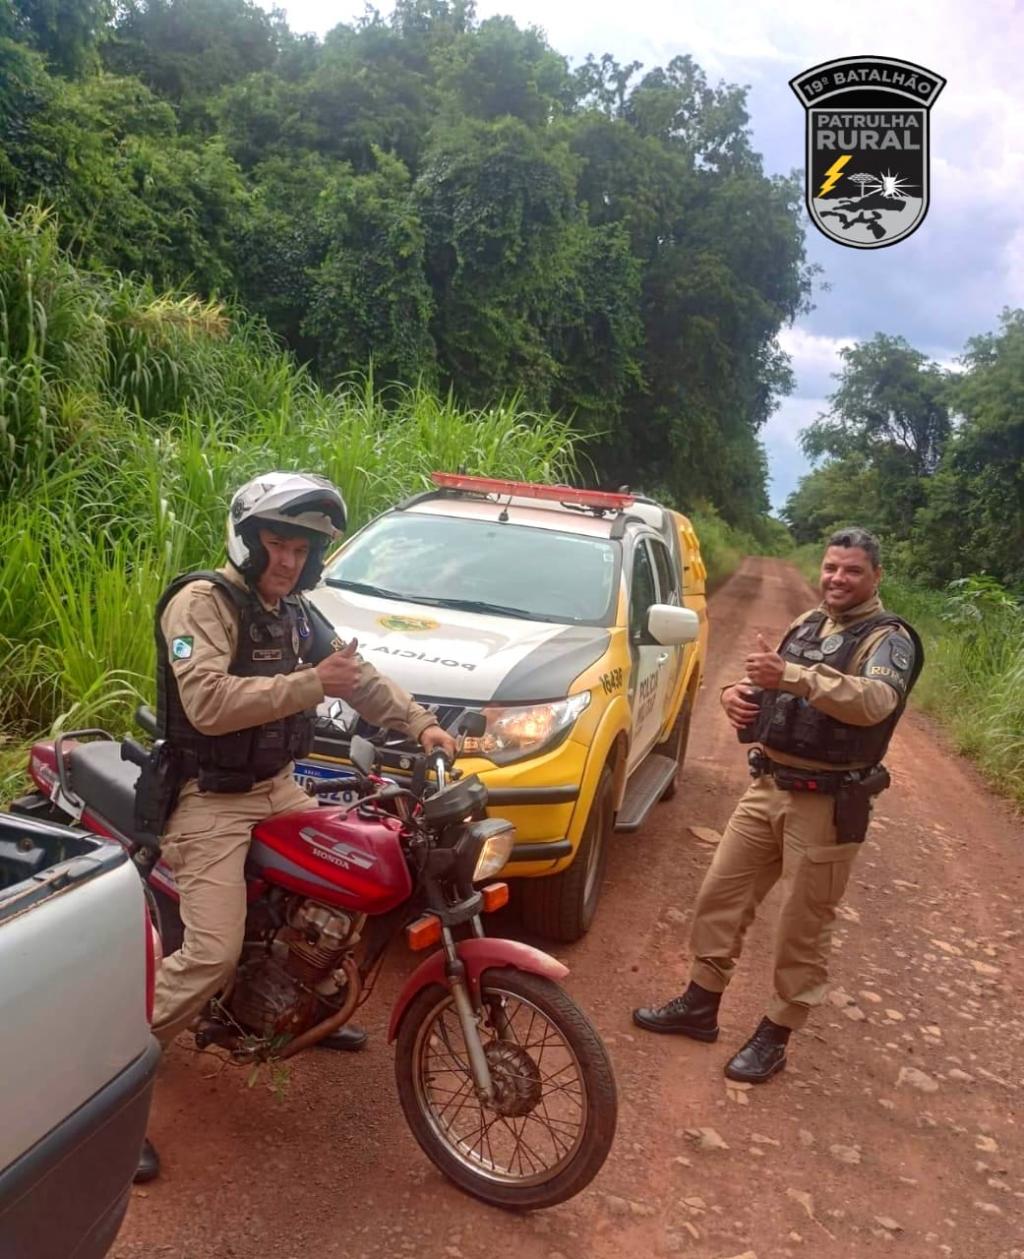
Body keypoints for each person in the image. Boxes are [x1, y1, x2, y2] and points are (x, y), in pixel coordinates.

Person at [137, 472, 456, 1181]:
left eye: (301, 551)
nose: (288, 561)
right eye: (277, 545)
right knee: (212, 952)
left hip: (278, 788)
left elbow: (359, 678)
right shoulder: (202, 603)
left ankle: (304, 1003)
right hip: (210, 799)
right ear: (248, 541)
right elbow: (209, 704)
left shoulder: (297, 614)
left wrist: (422, 723)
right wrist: (314, 683)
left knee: (351, 873)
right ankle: (109, 1082)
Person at [633, 527, 922, 1084]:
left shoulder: (888, 639)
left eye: (853, 570)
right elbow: (766, 685)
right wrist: (734, 697)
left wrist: (792, 677)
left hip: (828, 802)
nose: (838, 578)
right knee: (720, 896)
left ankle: (777, 1033)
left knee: (802, 926)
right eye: (832, 567)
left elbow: (877, 701)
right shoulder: (808, 623)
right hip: (767, 785)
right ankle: (699, 1004)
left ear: (876, 576)